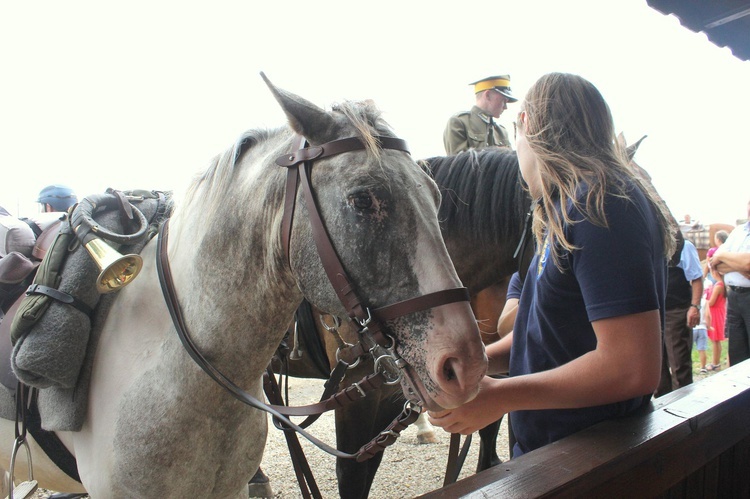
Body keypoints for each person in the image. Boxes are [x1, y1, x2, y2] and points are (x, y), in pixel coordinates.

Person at [428, 72, 675, 458]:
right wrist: (477, 365)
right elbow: (546, 334)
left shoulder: (600, 204)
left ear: (524, 123)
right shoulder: (566, 209)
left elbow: (633, 367)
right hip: (563, 452)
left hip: (593, 460)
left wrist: (501, 396)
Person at [655, 232, 703, 397]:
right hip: (654, 313)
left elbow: (696, 277)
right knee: (656, 368)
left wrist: (694, 306)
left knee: (679, 365)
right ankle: (662, 412)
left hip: (675, 310)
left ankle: (683, 411)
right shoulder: (649, 243)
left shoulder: (683, 245)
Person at [711, 198, 750, 366]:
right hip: (734, 298)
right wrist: (724, 259)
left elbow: (748, 264)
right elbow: (715, 264)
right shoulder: (738, 231)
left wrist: (722, 256)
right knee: (737, 355)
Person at [443, 75, 517, 155]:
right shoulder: (458, 123)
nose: (505, 107)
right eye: (503, 101)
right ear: (487, 95)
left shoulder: (501, 132)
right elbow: (459, 164)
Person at [705, 266, 727, 371]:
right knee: (716, 340)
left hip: (715, 313)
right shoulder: (722, 284)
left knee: (715, 340)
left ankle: (715, 363)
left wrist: (705, 298)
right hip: (719, 311)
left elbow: (712, 302)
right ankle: (716, 362)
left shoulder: (718, 285)